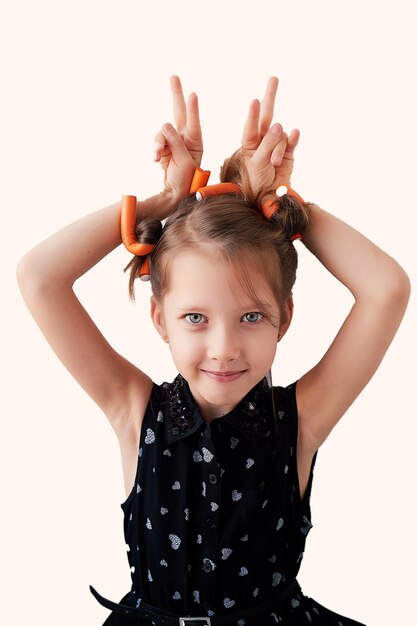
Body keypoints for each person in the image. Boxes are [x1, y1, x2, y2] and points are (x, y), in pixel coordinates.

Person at [16, 76, 410, 626]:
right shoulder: (133, 410)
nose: (223, 349)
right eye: (195, 319)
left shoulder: (300, 420)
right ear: (160, 320)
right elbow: (38, 277)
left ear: (284, 320)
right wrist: (164, 201)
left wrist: (279, 204)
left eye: (251, 317)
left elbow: (387, 288)